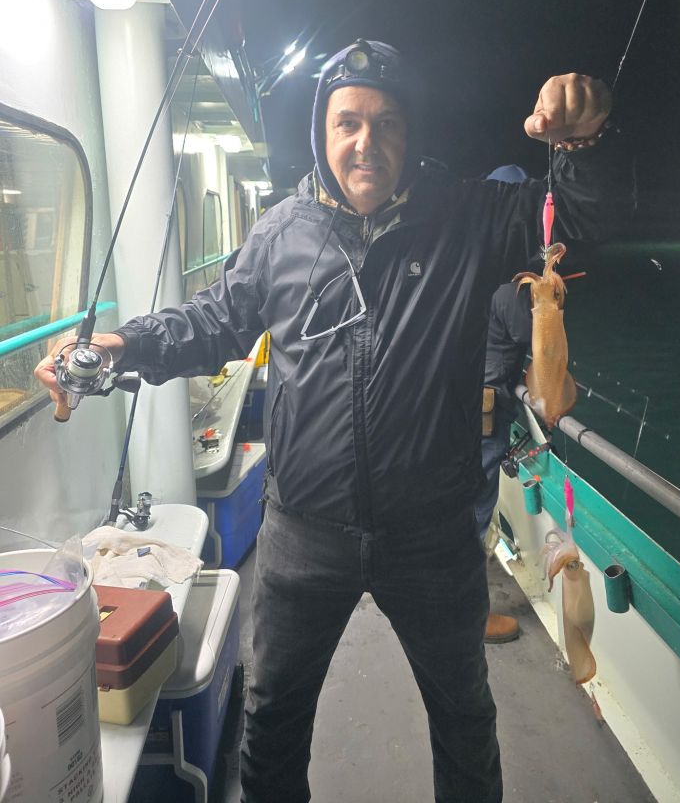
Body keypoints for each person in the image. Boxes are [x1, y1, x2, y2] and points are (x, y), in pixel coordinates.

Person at [36, 40, 630, 803]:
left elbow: (581, 219)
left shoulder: (469, 215)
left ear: (410, 134)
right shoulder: (280, 232)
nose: (366, 142)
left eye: (386, 123)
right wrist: (118, 348)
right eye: (348, 121)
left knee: (463, 715)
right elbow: (212, 323)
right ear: (322, 129)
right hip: (301, 534)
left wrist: (581, 140)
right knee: (273, 717)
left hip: (433, 536)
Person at [475, 167, 534, 645]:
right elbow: (530, 335)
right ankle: (471, 618)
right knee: (475, 510)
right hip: (485, 412)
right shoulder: (507, 280)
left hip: (456, 403)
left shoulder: (466, 265)